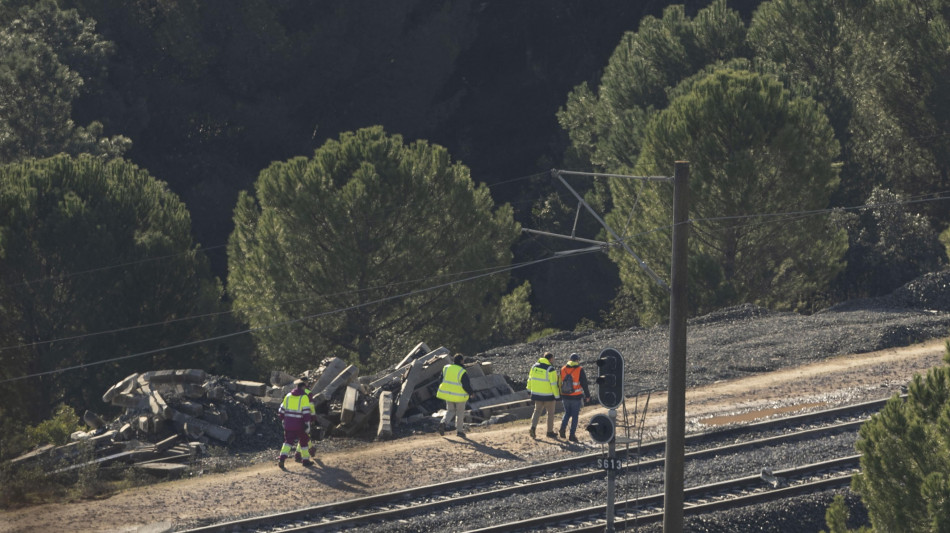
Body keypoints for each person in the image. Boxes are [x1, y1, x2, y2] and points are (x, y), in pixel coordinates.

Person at [277, 379, 313, 468]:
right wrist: (307, 424)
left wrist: (283, 420)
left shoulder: (288, 396)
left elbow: (281, 410)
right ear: (303, 386)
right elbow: (306, 413)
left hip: (288, 424)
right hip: (300, 425)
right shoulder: (304, 397)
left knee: (288, 442)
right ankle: (305, 460)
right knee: (304, 441)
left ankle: (282, 458)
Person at [436, 353, 474, 437]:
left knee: (450, 411)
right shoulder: (462, 371)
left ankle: (443, 422)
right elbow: (466, 385)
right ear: (461, 361)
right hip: (460, 396)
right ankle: (459, 431)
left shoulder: (446, 368)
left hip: (448, 395)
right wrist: (471, 393)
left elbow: (440, 380)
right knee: (460, 413)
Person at [527, 351, 560, 438]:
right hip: (548, 396)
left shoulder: (534, 367)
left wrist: (529, 389)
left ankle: (533, 428)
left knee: (537, 411)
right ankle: (549, 432)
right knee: (550, 414)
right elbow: (554, 384)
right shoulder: (551, 369)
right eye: (553, 359)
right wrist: (557, 396)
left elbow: (530, 379)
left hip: (537, 395)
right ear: (550, 359)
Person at [558, 353, 591, 442]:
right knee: (575, 416)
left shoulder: (563, 369)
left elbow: (559, 382)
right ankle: (572, 435)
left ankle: (562, 429)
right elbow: (584, 384)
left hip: (565, 396)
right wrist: (587, 395)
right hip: (575, 397)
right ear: (577, 360)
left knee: (567, 413)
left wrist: (560, 394)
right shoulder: (580, 369)